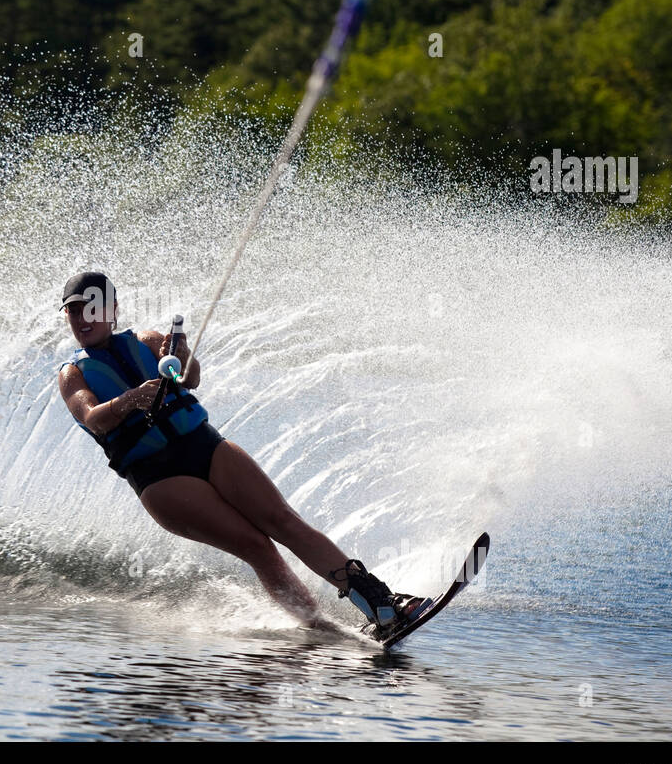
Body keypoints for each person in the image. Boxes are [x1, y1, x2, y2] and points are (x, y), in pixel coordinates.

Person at [55, 271, 428, 635]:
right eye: (73, 311)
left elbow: (190, 378)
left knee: (284, 521)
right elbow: (92, 417)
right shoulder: (73, 373)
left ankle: (382, 605)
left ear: (113, 308)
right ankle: (322, 631)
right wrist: (128, 400)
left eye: (91, 307)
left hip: (204, 444)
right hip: (158, 477)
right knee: (256, 546)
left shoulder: (148, 340)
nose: (82, 318)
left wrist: (183, 355)